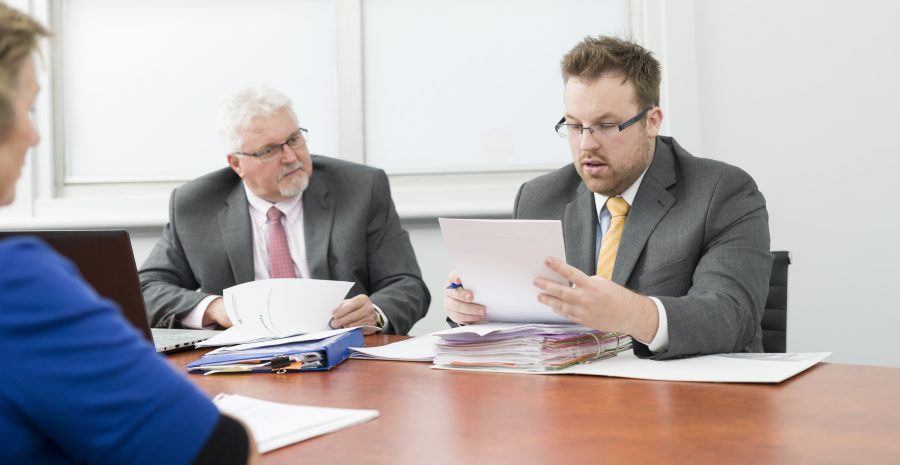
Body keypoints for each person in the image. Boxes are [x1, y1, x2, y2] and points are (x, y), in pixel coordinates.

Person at [0, 4, 258, 464]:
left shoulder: (359, 188)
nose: (36, 135)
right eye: (29, 106)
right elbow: (221, 454)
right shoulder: (15, 286)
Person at [444, 35, 772, 360]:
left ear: (651, 121)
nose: (586, 145)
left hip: (680, 399)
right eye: (574, 126)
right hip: (570, 398)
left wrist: (633, 313)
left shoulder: (721, 192)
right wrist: (474, 308)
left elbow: (733, 316)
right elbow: (526, 322)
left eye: (606, 125)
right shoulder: (539, 198)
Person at [139, 86, 430, 335]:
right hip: (245, 367)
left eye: (293, 139)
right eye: (269, 150)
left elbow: (407, 285)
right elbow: (145, 289)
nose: (291, 157)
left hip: (347, 358)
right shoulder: (195, 206)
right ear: (236, 163)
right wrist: (216, 308)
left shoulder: (360, 188)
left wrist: (375, 314)